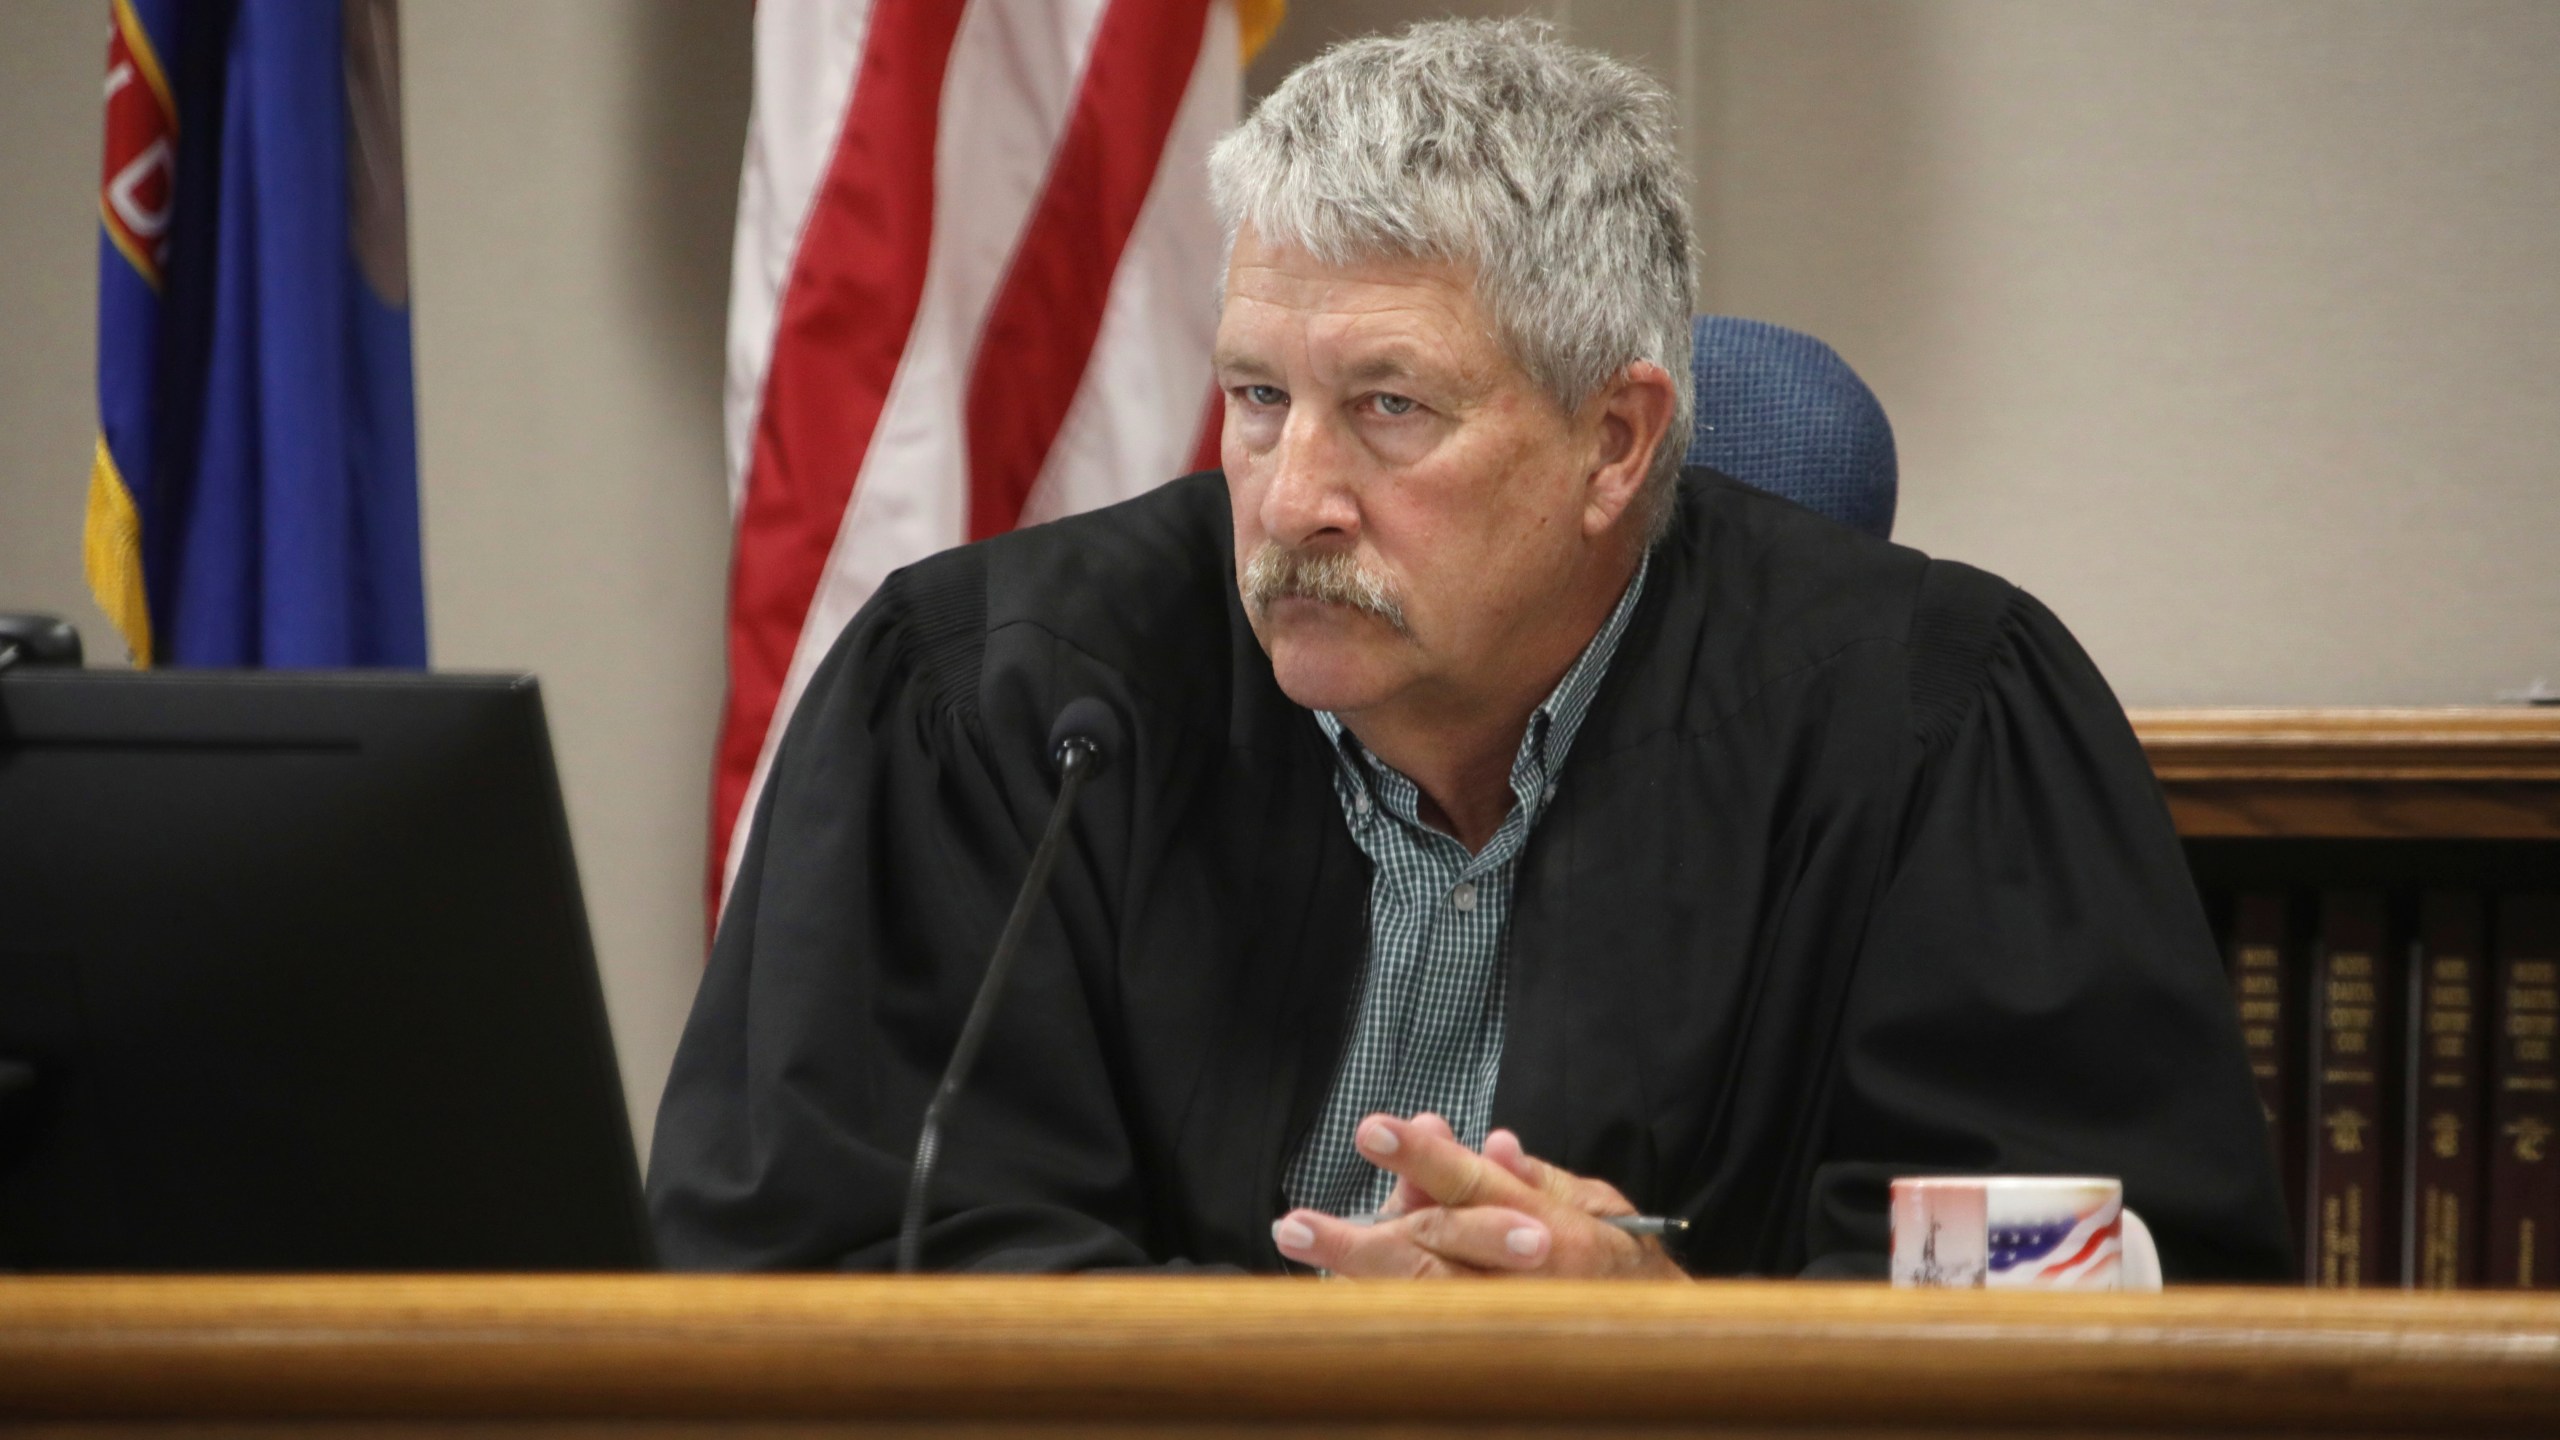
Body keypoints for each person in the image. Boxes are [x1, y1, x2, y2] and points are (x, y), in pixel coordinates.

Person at [648, 19, 2291, 1281]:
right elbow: (831, 1252)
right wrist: (1329, 1367)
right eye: (1256, 397)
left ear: (1617, 443)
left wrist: (1660, 1338)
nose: (1294, 499)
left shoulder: (1929, 730)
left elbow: (2095, 1292)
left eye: (1390, 409)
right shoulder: (997, 704)